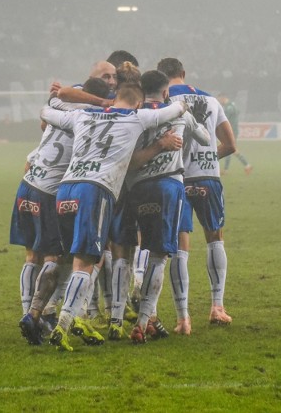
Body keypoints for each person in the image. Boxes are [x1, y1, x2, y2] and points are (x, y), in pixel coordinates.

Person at [40, 83, 188, 351]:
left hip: (65, 189)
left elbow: (48, 111)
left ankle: (66, 315)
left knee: (74, 259)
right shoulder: (137, 117)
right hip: (95, 189)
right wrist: (181, 106)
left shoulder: (83, 115)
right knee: (86, 261)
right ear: (138, 102)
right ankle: (63, 325)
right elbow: (176, 109)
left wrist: (63, 97)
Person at [13, 77, 110, 346]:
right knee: (56, 257)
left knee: (33, 254)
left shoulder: (62, 109)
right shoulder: (97, 117)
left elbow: (53, 103)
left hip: (28, 182)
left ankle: (34, 314)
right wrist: (105, 102)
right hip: (50, 191)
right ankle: (35, 314)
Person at [125, 70, 210, 343]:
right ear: (166, 93)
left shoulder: (134, 117)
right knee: (159, 255)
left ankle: (125, 307)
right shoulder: (179, 114)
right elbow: (206, 139)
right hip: (167, 187)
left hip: (136, 188)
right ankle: (141, 322)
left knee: (136, 245)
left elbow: (129, 159)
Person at [156, 57, 236, 335]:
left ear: (160, 76)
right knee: (215, 238)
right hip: (208, 178)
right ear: (184, 73)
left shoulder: (162, 100)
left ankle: (183, 318)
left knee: (180, 247)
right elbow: (231, 144)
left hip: (175, 178)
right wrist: (208, 159)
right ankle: (217, 307)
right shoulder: (211, 100)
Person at [217, 95, 252, 176]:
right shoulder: (233, 105)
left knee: (229, 148)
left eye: (220, 99)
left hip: (231, 131)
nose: (220, 102)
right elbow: (237, 112)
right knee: (231, 149)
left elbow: (225, 119)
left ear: (223, 98)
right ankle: (246, 165)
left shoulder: (228, 107)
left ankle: (227, 169)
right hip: (233, 130)